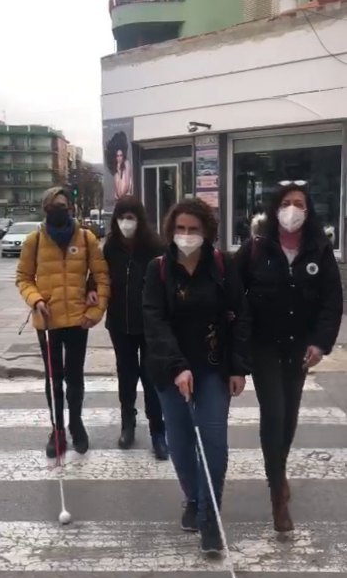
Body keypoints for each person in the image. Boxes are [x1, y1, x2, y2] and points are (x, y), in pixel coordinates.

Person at [143, 199, 250, 553]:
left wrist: (238, 367)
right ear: (171, 231)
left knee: (214, 443)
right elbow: (154, 322)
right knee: (180, 442)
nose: (186, 235)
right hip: (170, 369)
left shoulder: (222, 265)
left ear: (207, 232)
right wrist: (177, 366)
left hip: (213, 367)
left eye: (193, 229)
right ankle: (192, 497)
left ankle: (209, 517)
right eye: (180, 229)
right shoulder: (158, 269)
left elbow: (240, 315)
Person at [236, 182, 343, 532]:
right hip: (263, 345)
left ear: (308, 211)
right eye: (286, 203)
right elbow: (232, 290)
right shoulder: (257, 247)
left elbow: (331, 302)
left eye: (299, 203)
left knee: (290, 418)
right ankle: (277, 494)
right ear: (275, 208)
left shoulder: (319, 250)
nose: (292, 210)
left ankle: (277, 471)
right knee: (274, 414)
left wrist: (320, 343)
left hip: (299, 348)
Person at [16, 187, 110, 458]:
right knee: (54, 379)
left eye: (63, 205)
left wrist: (95, 312)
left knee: (75, 377)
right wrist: (36, 300)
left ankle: (76, 424)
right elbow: (23, 278)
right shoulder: (34, 241)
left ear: (71, 208)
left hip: (78, 320)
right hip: (48, 321)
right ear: (46, 209)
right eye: (54, 206)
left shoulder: (86, 238)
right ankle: (56, 429)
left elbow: (101, 276)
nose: (59, 210)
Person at [88, 196, 168, 460]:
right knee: (127, 375)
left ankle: (158, 430)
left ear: (139, 219)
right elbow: (98, 275)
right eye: (121, 217)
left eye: (130, 217)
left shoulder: (155, 247)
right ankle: (128, 423)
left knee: (151, 377)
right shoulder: (110, 247)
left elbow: (167, 280)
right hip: (120, 324)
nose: (126, 223)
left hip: (150, 325)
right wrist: (91, 289)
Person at [105, 131, 133, 200]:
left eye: (121, 155)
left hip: (125, 197)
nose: (119, 158)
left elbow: (126, 184)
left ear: (123, 155)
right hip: (120, 198)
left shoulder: (126, 163)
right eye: (117, 156)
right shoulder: (116, 170)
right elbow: (117, 188)